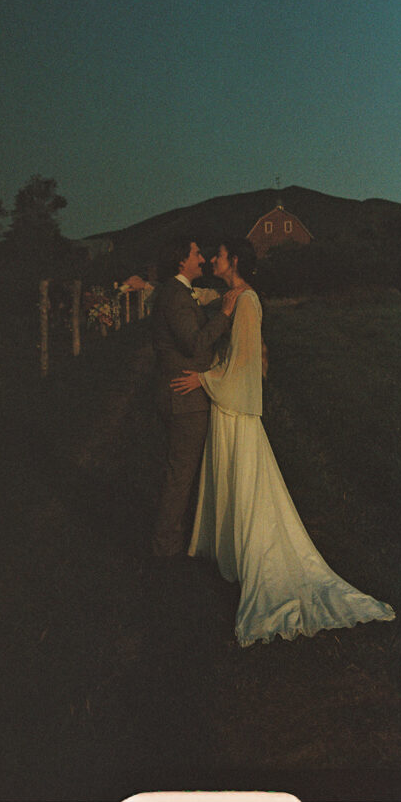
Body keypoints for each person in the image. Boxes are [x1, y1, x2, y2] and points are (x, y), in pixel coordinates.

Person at [171, 238, 395, 647]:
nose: (213, 260)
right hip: (227, 406)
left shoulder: (248, 301)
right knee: (229, 481)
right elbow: (196, 298)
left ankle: (258, 562)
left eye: (218, 255)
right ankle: (231, 555)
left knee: (246, 485)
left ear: (233, 260)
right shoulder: (229, 295)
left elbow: (243, 363)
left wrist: (202, 379)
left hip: (235, 409)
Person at [151, 237, 243, 560]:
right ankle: (165, 548)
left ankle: (176, 537)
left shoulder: (178, 293)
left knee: (180, 472)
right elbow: (194, 343)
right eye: (195, 254)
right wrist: (227, 313)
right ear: (181, 261)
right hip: (183, 399)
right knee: (180, 475)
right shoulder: (175, 296)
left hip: (184, 396)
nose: (202, 260)